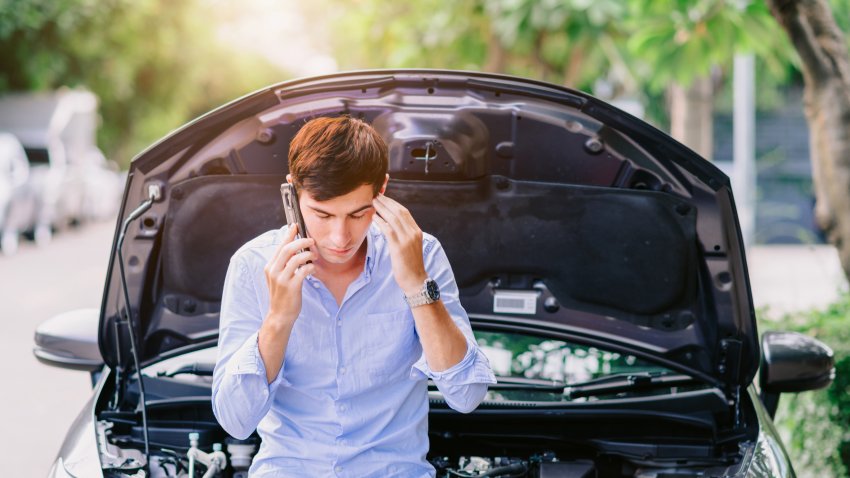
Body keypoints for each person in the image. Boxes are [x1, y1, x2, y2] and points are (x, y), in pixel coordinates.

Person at [212, 116, 496, 477]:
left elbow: (466, 396)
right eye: (322, 214)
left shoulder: (421, 256)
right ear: (292, 193)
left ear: (382, 191)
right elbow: (236, 421)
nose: (339, 237)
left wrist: (416, 286)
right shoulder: (252, 265)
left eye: (358, 213)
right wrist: (279, 318)